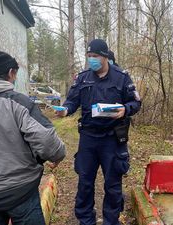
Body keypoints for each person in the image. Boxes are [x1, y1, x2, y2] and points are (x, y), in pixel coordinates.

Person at [0, 50, 66, 225]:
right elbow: (47, 141)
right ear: (11, 73)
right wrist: (57, 155)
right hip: (21, 193)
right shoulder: (18, 102)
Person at [56, 39, 141, 225]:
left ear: (104, 56)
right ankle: (86, 220)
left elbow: (136, 102)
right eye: (89, 56)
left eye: (95, 56)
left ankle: (111, 220)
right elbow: (72, 101)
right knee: (85, 182)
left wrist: (125, 109)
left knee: (113, 185)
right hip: (88, 138)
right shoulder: (83, 78)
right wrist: (66, 110)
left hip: (112, 139)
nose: (91, 60)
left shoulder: (122, 77)